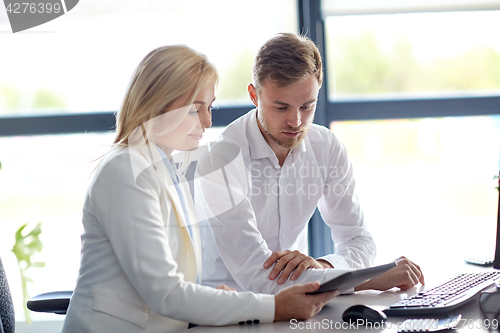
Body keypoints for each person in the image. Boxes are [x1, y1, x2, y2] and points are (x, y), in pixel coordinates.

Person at [61, 45, 340, 333]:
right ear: (159, 103)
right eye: (196, 110)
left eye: (209, 108)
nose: (207, 122)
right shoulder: (126, 171)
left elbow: (173, 285)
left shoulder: (165, 168)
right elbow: (165, 293)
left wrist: (216, 301)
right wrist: (275, 307)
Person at [195, 33, 425, 294]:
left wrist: (324, 266)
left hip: (301, 302)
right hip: (226, 312)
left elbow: (358, 239)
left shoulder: (325, 147)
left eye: (307, 106)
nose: (296, 121)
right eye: (281, 108)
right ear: (254, 95)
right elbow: (259, 278)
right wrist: (370, 278)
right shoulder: (220, 162)